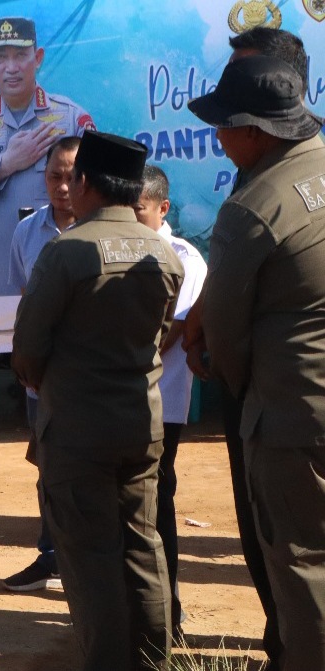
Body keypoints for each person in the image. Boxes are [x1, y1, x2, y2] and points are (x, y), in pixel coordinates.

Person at [12, 130, 183, 671]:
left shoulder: (66, 252)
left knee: (89, 560)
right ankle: (157, 658)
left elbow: (28, 352)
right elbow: (159, 335)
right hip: (142, 423)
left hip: (79, 431)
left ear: (84, 182)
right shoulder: (165, 251)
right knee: (144, 548)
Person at [190, 55, 325, 670]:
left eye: (223, 126)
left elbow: (224, 335)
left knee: (303, 561)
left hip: (295, 417)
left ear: (255, 131)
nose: (217, 138)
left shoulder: (253, 207)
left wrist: (246, 396)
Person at [0, 17, 96, 298]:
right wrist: (4, 164)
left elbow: (99, 191)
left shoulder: (72, 118)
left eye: (21, 56)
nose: (11, 68)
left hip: (65, 277)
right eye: (0, 57)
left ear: (37, 58)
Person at [0, 134, 80, 592]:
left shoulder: (104, 230)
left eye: (72, 177)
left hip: (90, 381)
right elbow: (23, 301)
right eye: (54, 176)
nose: (62, 186)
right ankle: (50, 556)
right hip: (41, 382)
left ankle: (92, 564)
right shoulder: (27, 232)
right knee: (47, 467)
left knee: (92, 471)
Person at [132, 165, 206, 640]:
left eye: (138, 208)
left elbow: (174, 329)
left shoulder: (184, 256)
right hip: (117, 398)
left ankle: (168, 615)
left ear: (162, 208)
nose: (130, 215)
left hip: (160, 402)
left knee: (156, 504)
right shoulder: (111, 245)